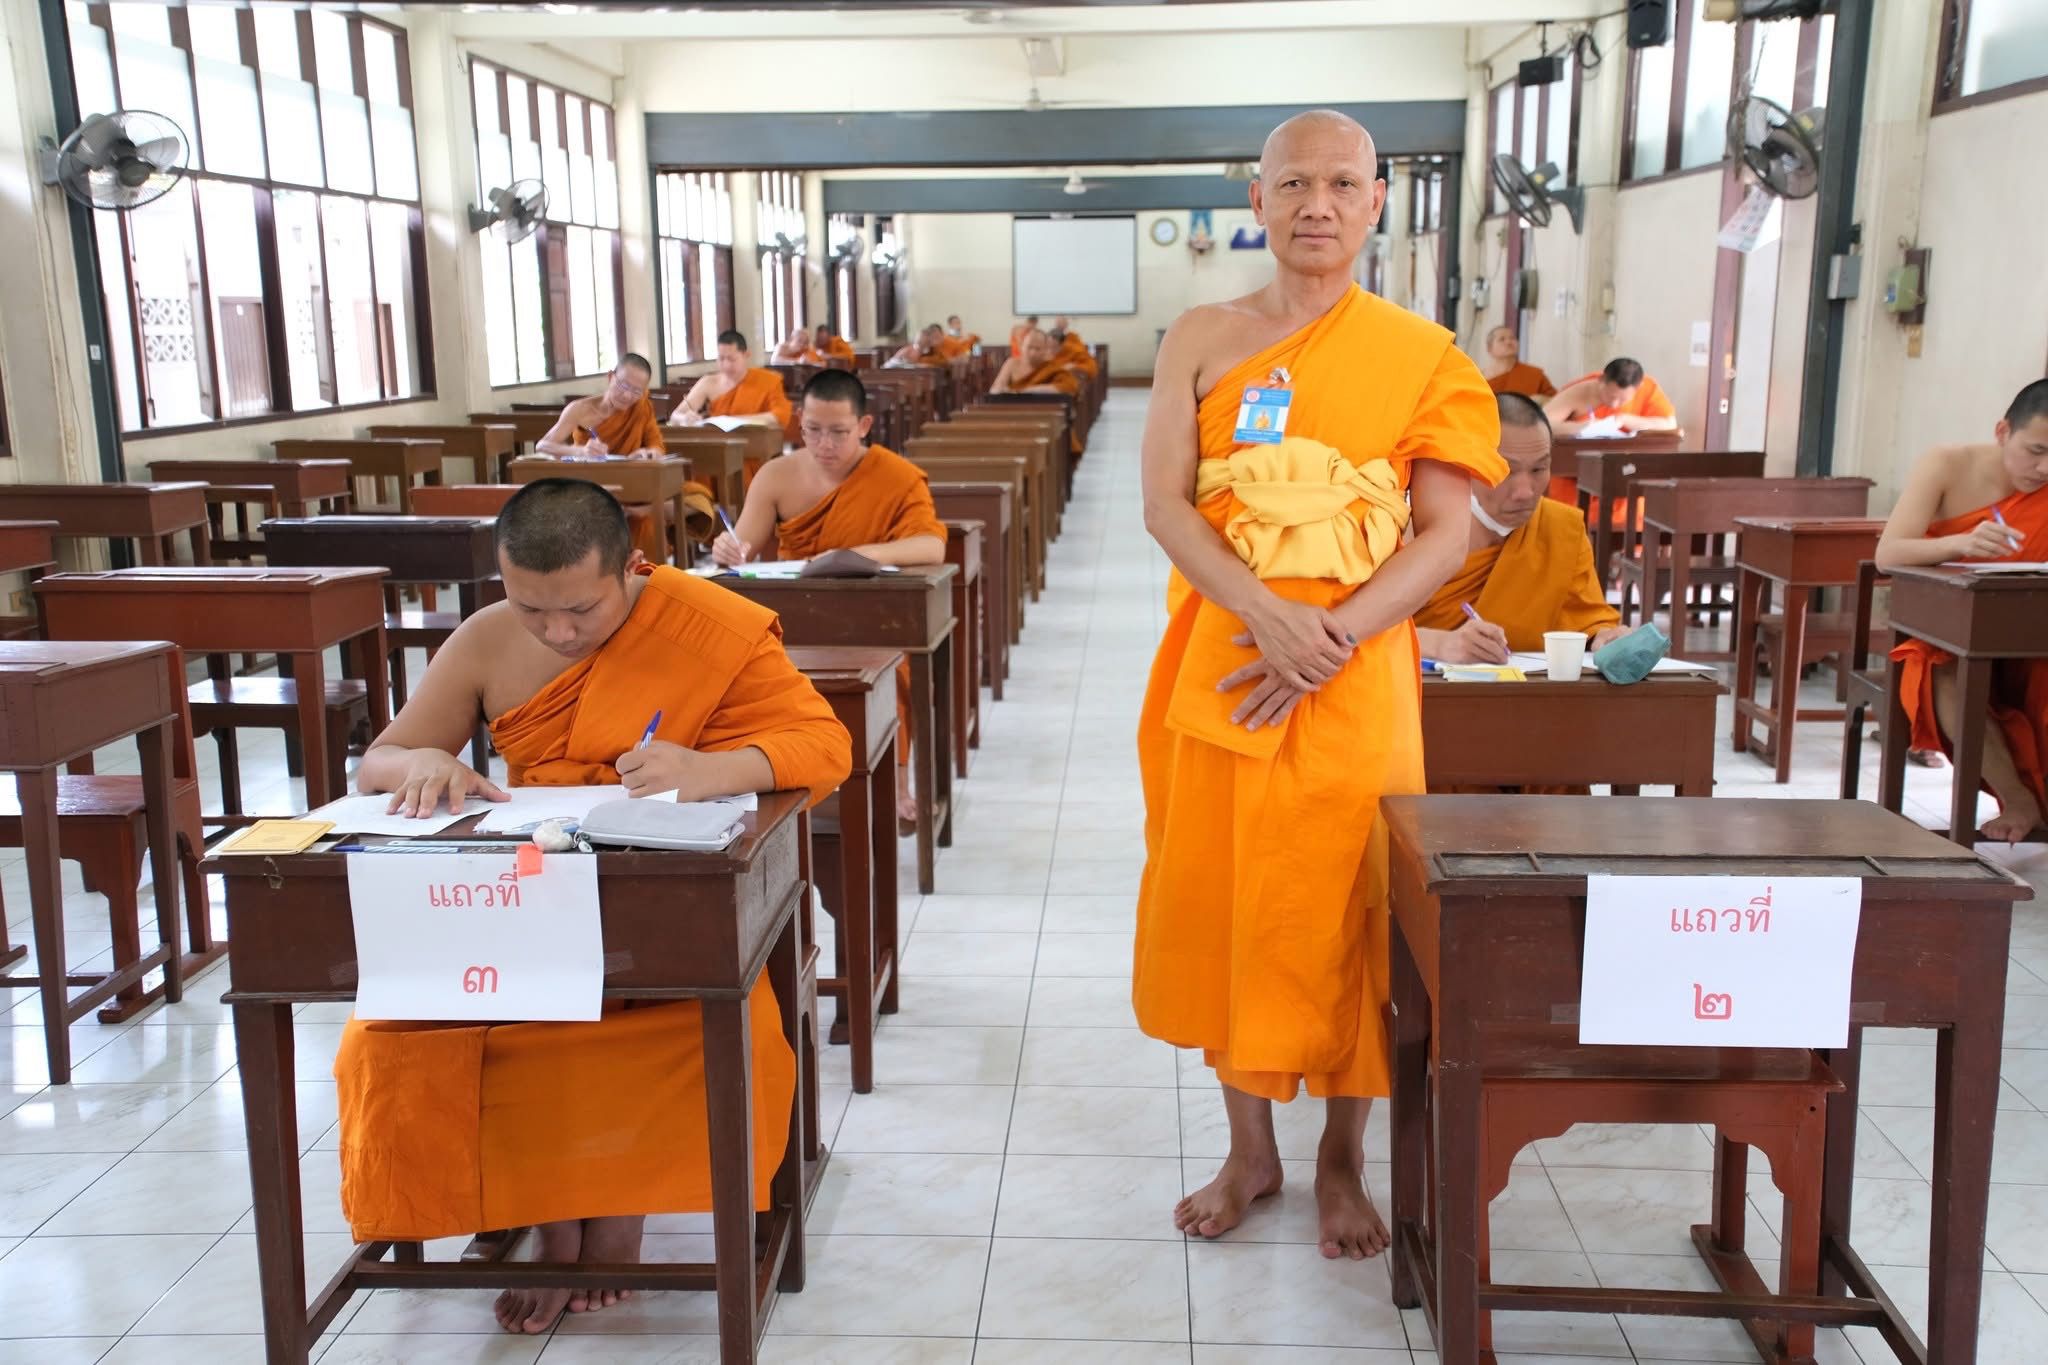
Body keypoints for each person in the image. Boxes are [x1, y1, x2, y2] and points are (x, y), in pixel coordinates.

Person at [339, 478, 851, 1335]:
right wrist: (428, 763)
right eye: (532, 607)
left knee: (684, 1026)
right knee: (391, 1038)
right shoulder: (487, 641)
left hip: (660, 908)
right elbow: (380, 759)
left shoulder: (701, 626)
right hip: (526, 908)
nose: (558, 631)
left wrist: (706, 768)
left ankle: (617, 1207)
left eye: (579, 608)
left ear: (630, 569)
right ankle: (550, 1212)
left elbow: (823, 743)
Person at [1133, 109, 1503, 1260]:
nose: (1316, 204)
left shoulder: (1422, 355)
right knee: (1227, 888)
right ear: (1255, 200)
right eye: (1292, 182)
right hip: (1227, 657)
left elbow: (1447, 534)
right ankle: (1250, 1150)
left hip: (1355, 674)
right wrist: (1261, 612)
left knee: (1354, 900)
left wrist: (1330, 635)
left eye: (1343, 183)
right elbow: (1164, 506)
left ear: (1376, 201)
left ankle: (1341, 1157)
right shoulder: (1199, 334)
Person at [712, 370, 945, 826]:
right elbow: (743, 550)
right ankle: (779, 783)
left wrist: (857, 554)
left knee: (895, 671)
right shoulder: (777, 475)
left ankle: (896, 784)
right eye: (813, 430)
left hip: (872, 619)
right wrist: (728, 549)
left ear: (864, 425)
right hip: (795, 615)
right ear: (799, 422)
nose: (825, 444)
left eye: (839, 432)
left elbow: (930, 546)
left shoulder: (895, 477)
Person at [1877, 379, 2048, 842]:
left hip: (2030, 629)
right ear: (2002, 431)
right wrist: (1961, 543)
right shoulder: (1947, 464)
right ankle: (2018, 797)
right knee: (1943, 674)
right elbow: (1888, 554)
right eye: (2035, 450)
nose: (2043, 468)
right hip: (1944, 629)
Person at [1414, 393, 1626, 664]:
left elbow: (1587, 621)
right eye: (1505, 470)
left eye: (1539, 469)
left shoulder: (1560, 530)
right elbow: (1359, 633)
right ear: (1468, 463)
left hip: (1526, 697)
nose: (1526, 492)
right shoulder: (1408, 526)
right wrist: (1438, 643)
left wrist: (1606, 638)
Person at [674, 330, 796, 444]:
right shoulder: (708, 382)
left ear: (746, 355)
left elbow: (780, 415)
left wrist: (734, 421)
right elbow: (676, 415)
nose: (726, 365)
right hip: (719, 445)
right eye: (721, 359)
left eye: (732, 359)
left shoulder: (769, 380)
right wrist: (684, 418)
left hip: (754, 444)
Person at [536, 354, 665, 460]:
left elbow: (656, 446)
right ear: (610, 377)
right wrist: (580, 451)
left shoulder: (642, 406)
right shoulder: (579, 409)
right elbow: (542, 445)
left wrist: (648, 454)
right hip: (588, 477)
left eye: (636, 391)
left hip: (630, 475)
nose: (627, 395)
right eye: (623, 386)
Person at [1545, 357, 1677, 436]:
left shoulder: (1648, 388)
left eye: (1622, 400)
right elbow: (1541, 426)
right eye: (1610, 396)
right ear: (1601, 380)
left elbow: (1669, 424)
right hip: (1575, 466)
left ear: (1638, 388)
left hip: (1626, 462)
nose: (1614, 404)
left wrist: (1623, 419)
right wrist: (1581, 427)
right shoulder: (1581, 391)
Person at [990, 327, 1079, 398]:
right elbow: (995, 390)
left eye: (1037, 348)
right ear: (1022, 347)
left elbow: (1070, 387)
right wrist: (1003, 392)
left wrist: (1028, 391)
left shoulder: (1051, 367)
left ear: (1045, 350)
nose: (1033, 353)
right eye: (1029, 347)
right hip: (1013, 410)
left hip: (1043, 412)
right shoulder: (1012, 363)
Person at [1481, 324, 1555, 398]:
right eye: (1502, 339)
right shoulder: (1479, 378)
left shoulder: (1534, 374)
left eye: (1512, 338)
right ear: (1489, 348)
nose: (1509, 342)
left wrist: (1540, 400)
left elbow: (1554, 400)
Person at [886, 323, 950, 368]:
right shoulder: (908, 350)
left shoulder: (932, 350)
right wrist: (916, 365)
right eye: (922, 337)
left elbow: (943, 363)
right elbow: (892, 364)